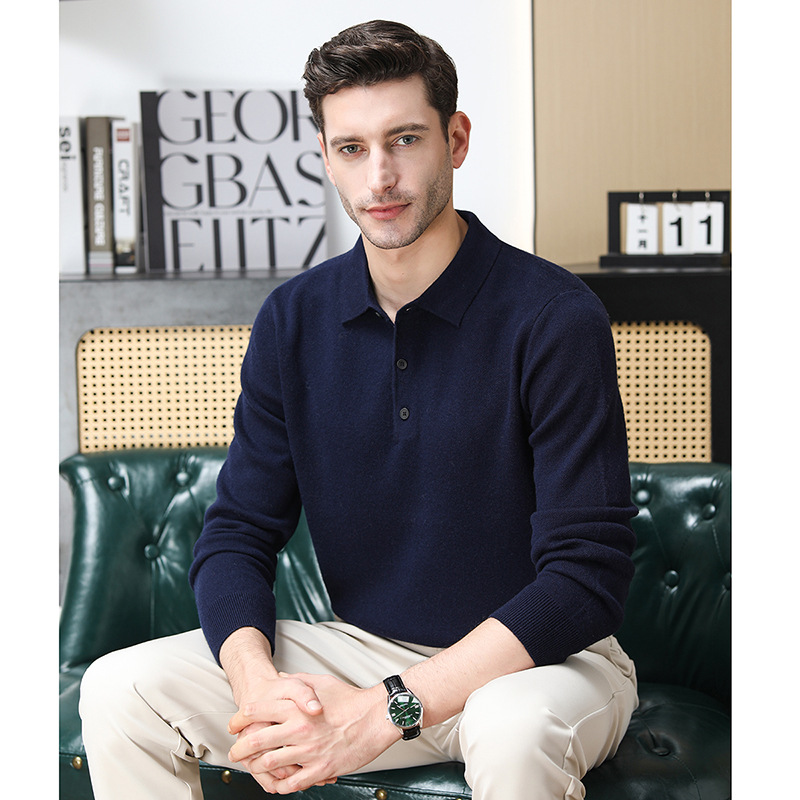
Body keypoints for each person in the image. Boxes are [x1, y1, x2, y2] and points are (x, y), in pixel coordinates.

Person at [79, 19, 639, 800]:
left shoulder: (553, 316)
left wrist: (385, 709)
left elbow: (585, 577)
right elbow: (237, 532)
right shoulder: (293, 321)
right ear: (325, 158)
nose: (381, 176)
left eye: (405, 139)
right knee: (120, 689)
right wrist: (257, 687)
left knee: (511, 729)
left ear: (456, 140)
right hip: (364, 651)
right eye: (352, 148)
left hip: (542, 665)